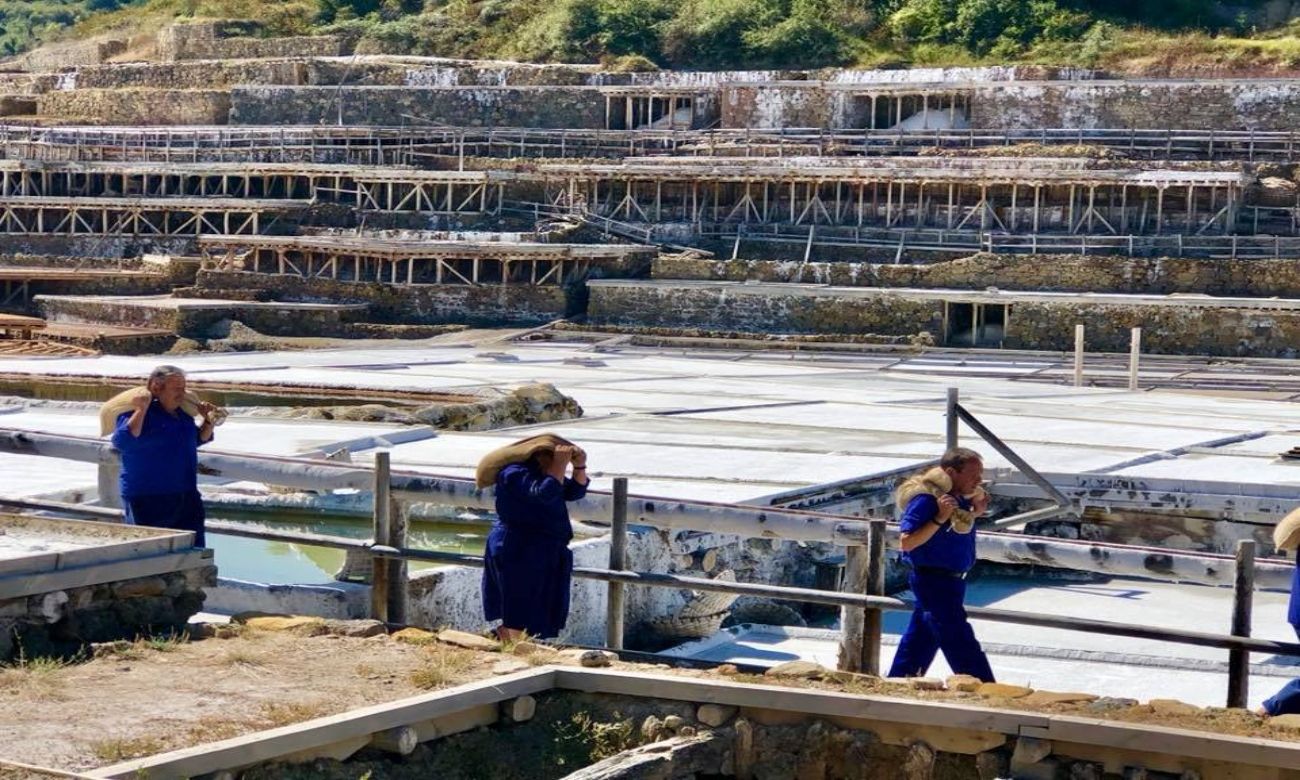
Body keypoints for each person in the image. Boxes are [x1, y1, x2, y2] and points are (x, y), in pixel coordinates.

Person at [887, 447, 995, 682]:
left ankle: (900, 679)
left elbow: (953, 532)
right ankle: (982, 684)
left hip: (952, 580)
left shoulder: (956, 500)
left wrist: (975, 513)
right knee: (958, 636)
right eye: (973, 475)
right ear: (950, 472)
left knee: (921, 639)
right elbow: (906, 542)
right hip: (933, 578)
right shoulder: (927, 500)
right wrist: (939, 518)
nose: (979, 481)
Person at [475, 433, 589, 642]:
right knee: (519, 603)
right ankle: (511, 644)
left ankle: (512, 642)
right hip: (517, 547)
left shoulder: (546, 473)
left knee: (541, 603)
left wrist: (579, 466)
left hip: (544, 548)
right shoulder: (514, 473)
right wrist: (560, 465)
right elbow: (543, 493)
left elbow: (575, 492)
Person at [109, 365, 217, 546]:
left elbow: (196, 440)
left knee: (192, 551)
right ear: (156, 388)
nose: (182, 394)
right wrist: (141, 409)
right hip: (148, 497)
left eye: (183, 388)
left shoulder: (182, 415)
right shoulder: (134, 413)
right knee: (149, 553)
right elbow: (123, 441)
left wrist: (208, 420)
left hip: (186, 496)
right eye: (177, 389)